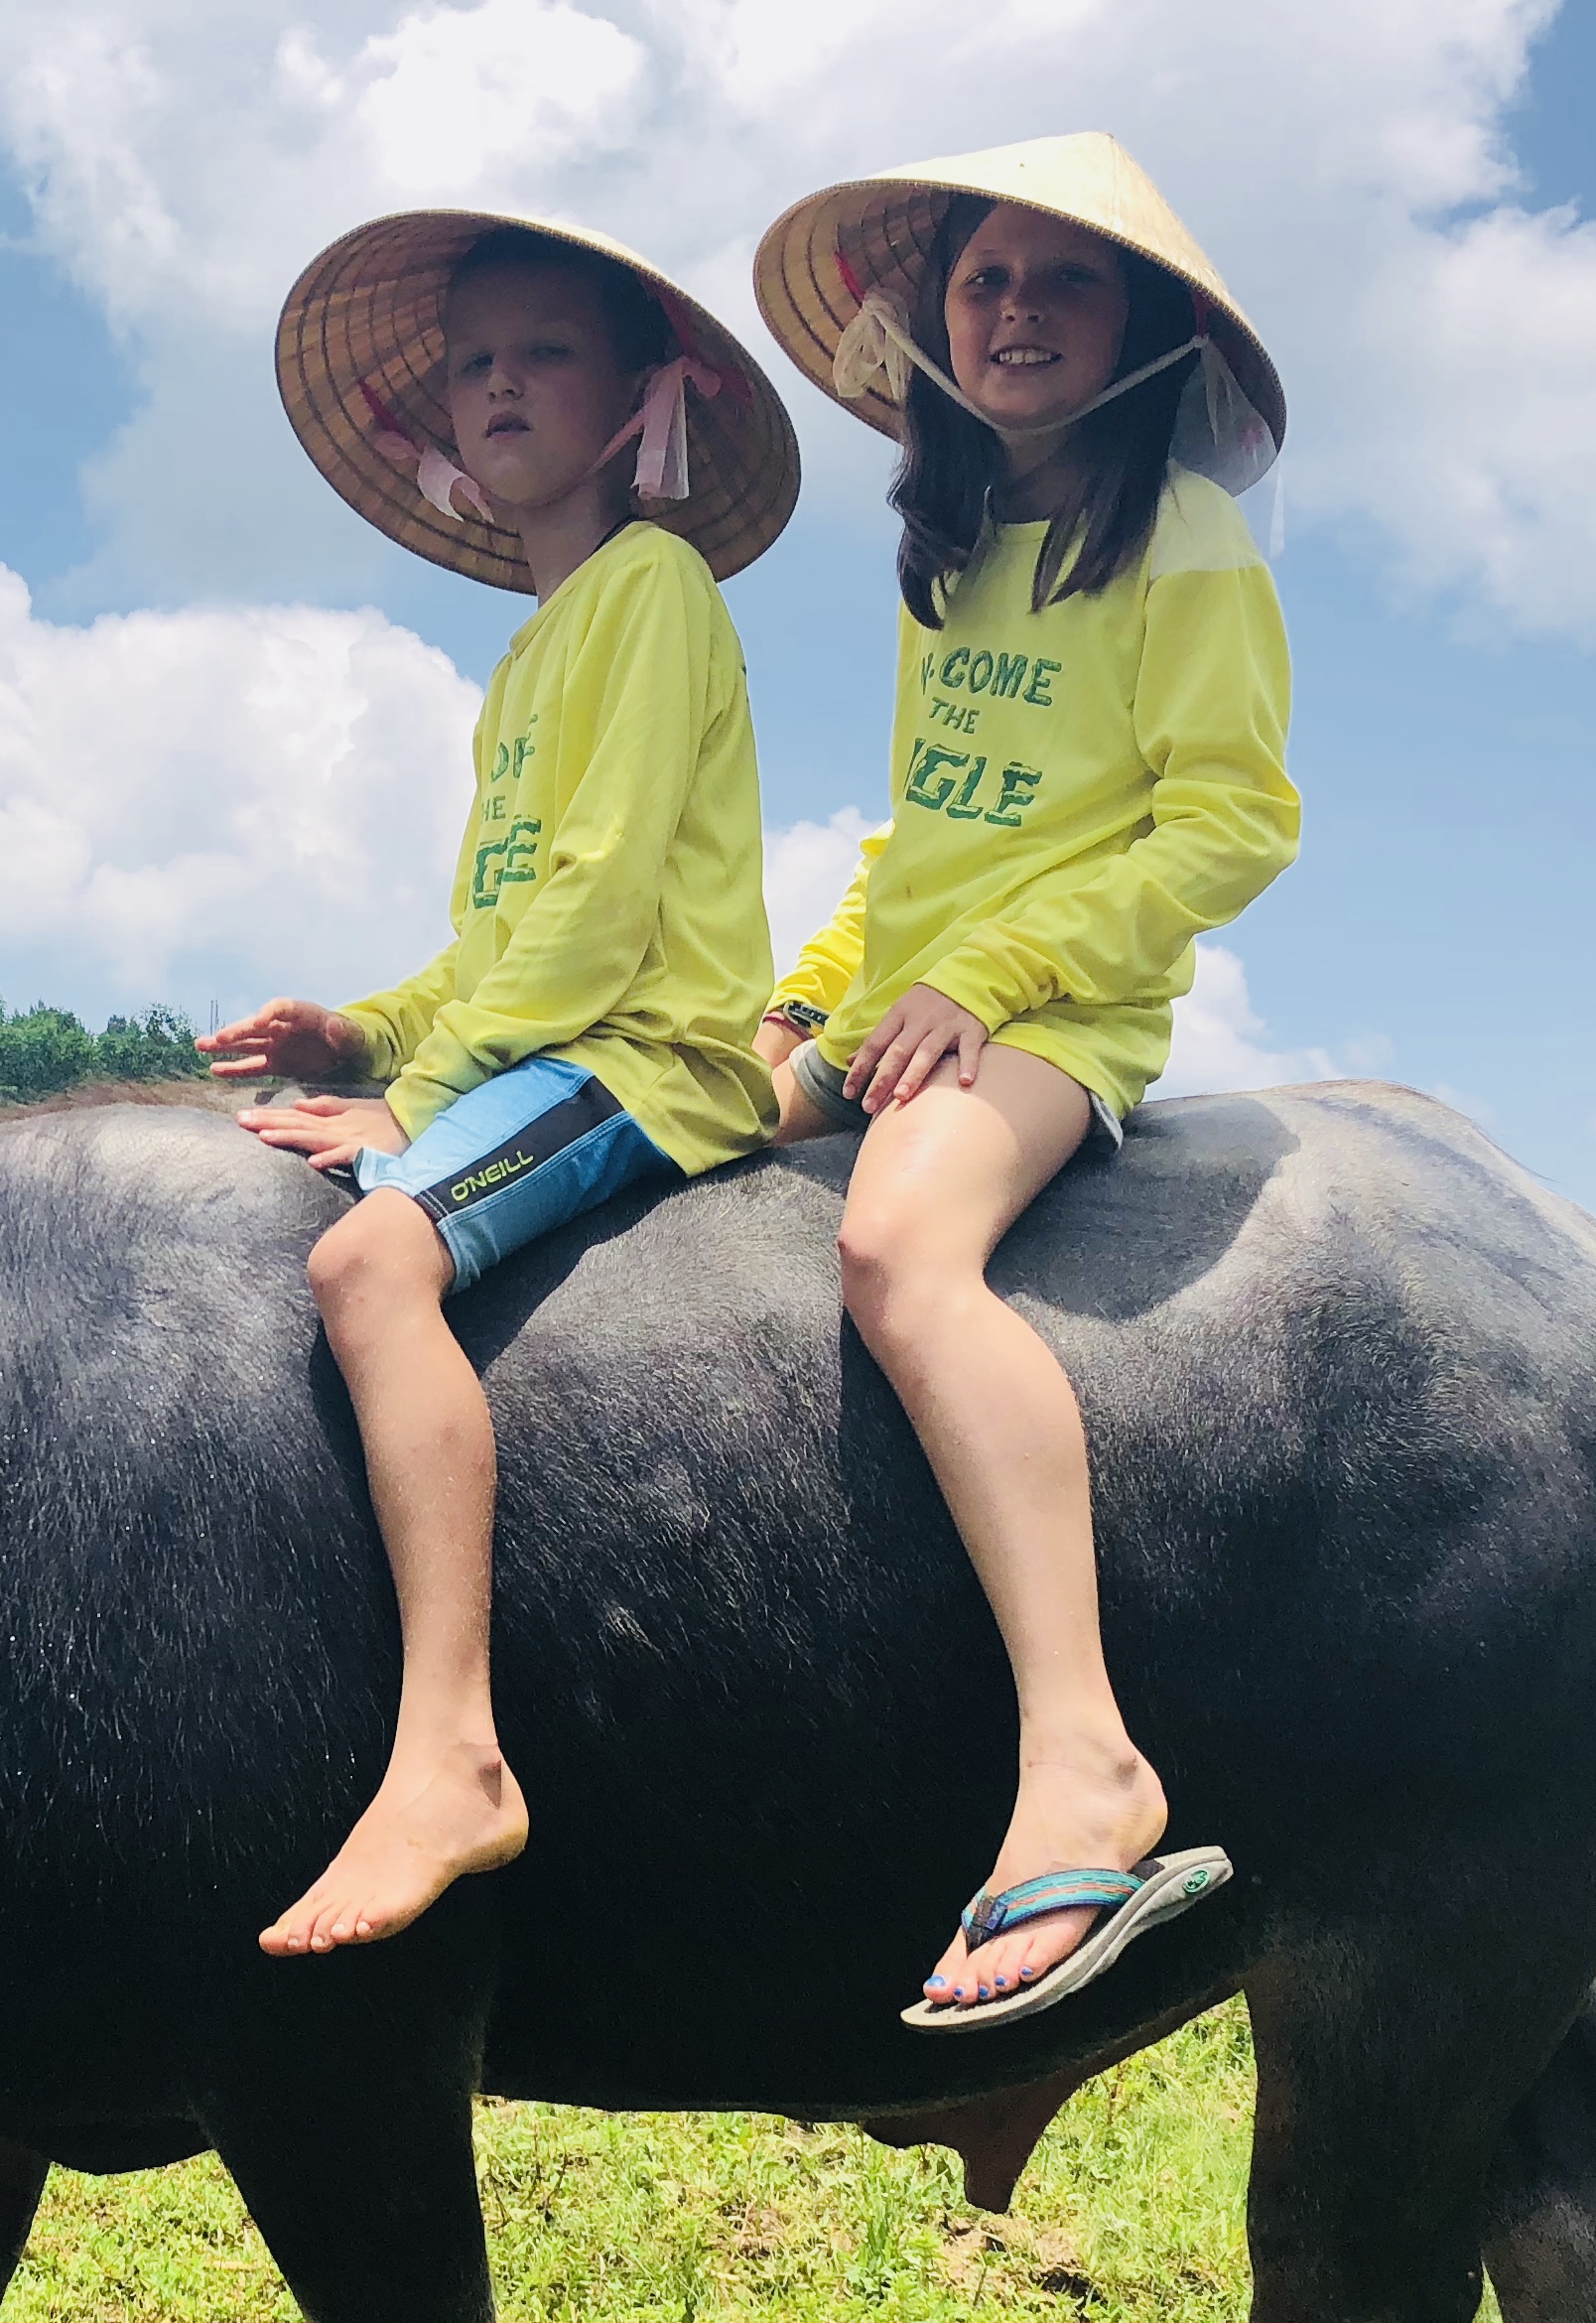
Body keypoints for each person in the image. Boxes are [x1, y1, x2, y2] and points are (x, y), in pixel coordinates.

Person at [747, 135, 1300, 2027]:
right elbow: (916, 846)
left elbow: (1234, 821)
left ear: (1143, 334)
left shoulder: (1188, 539)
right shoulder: (954, 559)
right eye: (984, 279)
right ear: (937, 324)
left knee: (897, 1251)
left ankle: (1085, 1754)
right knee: (669, 1124)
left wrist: (996, 977)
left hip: (1059, 1014)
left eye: (1069, 280)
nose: (1017, 312)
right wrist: (793, 1011)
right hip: (912, 999)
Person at [205, 212, 801, 1957]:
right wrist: (368, 1035)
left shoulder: (654, 590)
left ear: (636, 399)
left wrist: (422, 1102)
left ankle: (456, 1753)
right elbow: (495, 934)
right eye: (475, 363)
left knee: (367, 1261)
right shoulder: (535, 653)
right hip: (541, 1036)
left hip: (641, 1056)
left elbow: (600, 912)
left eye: (546, 352)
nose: (502, 384)